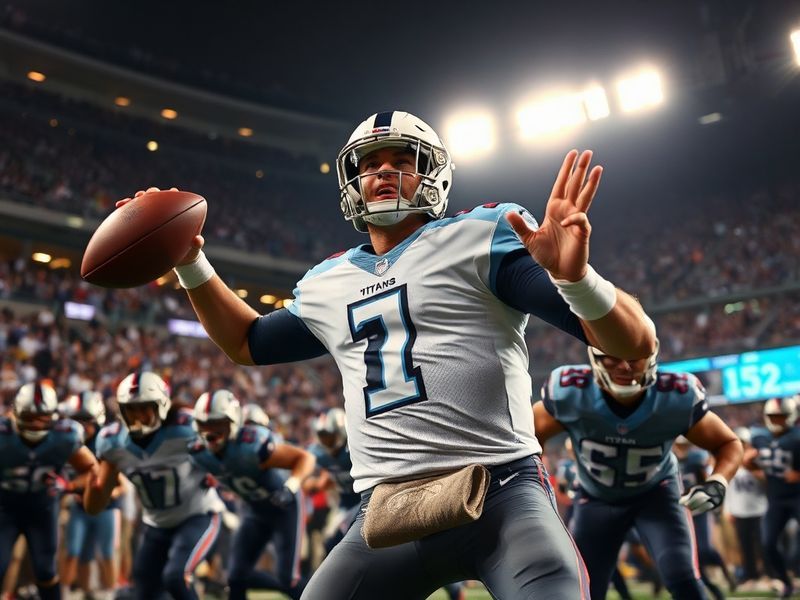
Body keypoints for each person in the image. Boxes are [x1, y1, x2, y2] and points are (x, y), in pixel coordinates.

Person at [125, 110, 657, 598]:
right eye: (369, 164)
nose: (383, 171)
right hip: (387, 512)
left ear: (433, 175)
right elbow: (248, 342)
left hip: (501, 491)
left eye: (402, 160)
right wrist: (190, 261)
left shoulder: (482, 235)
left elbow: (633, 344)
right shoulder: (328, 282)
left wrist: (576, 279)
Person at [532, 347, 743, 599]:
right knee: (584, 588)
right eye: (613, 356)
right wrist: (535, 485)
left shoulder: (675, 395)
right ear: (595, 357)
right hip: (596, 498)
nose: (625, 366)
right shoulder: (572, 392)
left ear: (651, 357)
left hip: (656, 495)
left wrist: (718, 481)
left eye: (634, 357)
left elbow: (728, 443)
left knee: (682, 577)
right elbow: (531, 436)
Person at [85, 371, 222, 600]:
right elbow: (95, 503)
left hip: (197, 515)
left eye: (144, 408)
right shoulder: (113, 442)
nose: (137, 415)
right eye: (131, 409)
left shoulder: (186, 428)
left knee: (175, 576)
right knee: (143, 590)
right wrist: (93, 486)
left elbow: (223, 456)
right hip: (157, 524)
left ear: (162, 406)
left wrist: (213, 471)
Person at [188, 389, 316, 600]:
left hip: (284, 508)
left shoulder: (252, 446)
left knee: (287, 579)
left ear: (233, 423)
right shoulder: (198, 452)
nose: (210, 433)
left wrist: (290, 486)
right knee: (235, 576)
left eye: (218, 425)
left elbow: (306, 458)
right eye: (205, 425)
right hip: (254, 511)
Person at [0, 381, 98, 600]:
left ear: (54, 416)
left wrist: (69, 485)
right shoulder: (3, 435)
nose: (35, 424)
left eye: (42, 417)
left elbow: (92, 469)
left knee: (46, 570)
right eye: (29, 417)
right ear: (15, 414)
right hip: (5, 508)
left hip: (42, 508)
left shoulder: (65, 436)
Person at [58, 391, 121, 600]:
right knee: (75, 552)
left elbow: (118, 482)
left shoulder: (106, 442)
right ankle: (69, 592)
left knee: (106, 553)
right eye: (76, 421)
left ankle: (110, 593)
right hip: (78, 507)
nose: (81, 427)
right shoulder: (66, 440)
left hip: (105, 507)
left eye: (86, 421)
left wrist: (103, 493)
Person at [745, 395, 800, 598]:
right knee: (768, 543)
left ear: (791, 416)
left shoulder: (797, 437)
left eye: (781, 416)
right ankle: (786, 582)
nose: (777, 420)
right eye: (773, 416)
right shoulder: (759, 437)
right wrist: (749, 463)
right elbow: (752, 465)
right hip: (775, 499)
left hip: (797, 496)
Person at [673, 435, 736, 599]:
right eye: (679, 445)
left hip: (700, 510)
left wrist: (710, 499)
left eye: (684, 445)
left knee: (705, 549)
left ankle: (726, 573)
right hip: (682, 513)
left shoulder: (696, 459)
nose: (681, 448)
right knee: (692, 557)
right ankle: (714, 591)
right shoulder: (670, 461)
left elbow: (708, 481)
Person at [725, 426, 767, 590]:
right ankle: (751, 576)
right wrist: (728, 509)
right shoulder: (730, 460)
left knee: (763, 544)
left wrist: (752, 466)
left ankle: (768, 574)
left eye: (743, 442)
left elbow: (766, 481)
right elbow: (728, 487)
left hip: (759, 508)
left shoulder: (757, 459)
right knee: (745, 546)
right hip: (739, 510)